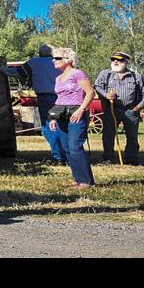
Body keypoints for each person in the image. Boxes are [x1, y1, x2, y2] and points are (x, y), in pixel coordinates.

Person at [48, 48, 95, 188]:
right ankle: (78, 178)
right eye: (53, 58)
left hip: (76, 112)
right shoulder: (58, 78)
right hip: (62, 114)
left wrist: (82, 109)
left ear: (69, 60)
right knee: (67, 147)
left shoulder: (78, 74)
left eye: (57, 58)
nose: (53, 60)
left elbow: (90, 92)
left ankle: (86, 181)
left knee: (75, 146)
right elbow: (59, 99)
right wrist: (53, 118)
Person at [93, 51, 144, 165]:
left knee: (132, 136)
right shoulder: (105, 74)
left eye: (119, 60)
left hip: (131, 110)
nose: (115, 61)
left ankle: (131, 159)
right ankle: (108, 158)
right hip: (111, 109)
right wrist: (106, 95)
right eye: (113, 59)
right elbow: (97, 86)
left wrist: (139, 106)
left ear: (126, 62)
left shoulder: (136, 76)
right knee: (108, 135)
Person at [25, 44, 65, 164]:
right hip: (61, 96)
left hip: (45, 97)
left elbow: (17, 72)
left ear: (40, 53)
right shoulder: (59, 62)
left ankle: (59, 156)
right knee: (61, 125)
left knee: (49, 126)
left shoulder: (34, 62)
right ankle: (65, 154)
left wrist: (2, 69)